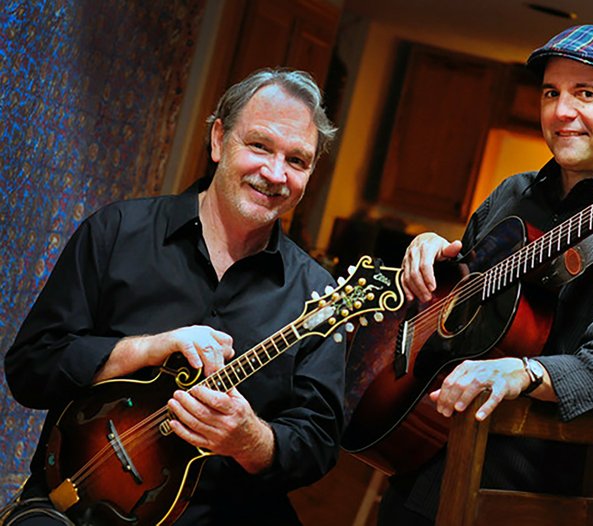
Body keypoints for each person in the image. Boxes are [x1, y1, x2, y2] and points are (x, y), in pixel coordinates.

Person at [379, 25, 593, 524]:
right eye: (552, 92)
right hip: (420, 446)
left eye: (585, 93)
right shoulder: (511, 193)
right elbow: (459, 297)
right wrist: (429, 253)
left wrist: (524, 371)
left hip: (516, 486)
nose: (561, 111)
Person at [3, 68, 343, 525]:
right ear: (219, 139)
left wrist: (251, 440)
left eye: (297, 160)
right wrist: (142, 348)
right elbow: (30, 369)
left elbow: (317, 445)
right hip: (77, 505)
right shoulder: (116, 233)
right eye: (259, 146)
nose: (275, 173)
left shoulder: (319, 297)